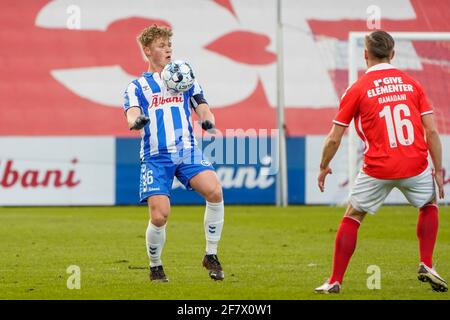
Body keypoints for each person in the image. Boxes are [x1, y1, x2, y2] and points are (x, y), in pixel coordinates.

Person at [315, 30, 447, 293]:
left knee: (353, 215)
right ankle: (427, 263)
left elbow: (334, 137)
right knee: (429, 204)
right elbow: (431, 131)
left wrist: (323, 166)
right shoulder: (412, 84)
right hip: (415, 164)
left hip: (378, 167)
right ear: (393, 54)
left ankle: (334, 281)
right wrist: (439, 170)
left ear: (365, 55)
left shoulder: (357, 88)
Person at [123, 25, 225, 282]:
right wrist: (137, 122)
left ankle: (210, 254)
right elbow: (132, 113)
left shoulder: (184, 76)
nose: (168, 49)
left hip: (186, 150)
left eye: (169, 45)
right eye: (161, 45)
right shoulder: (137, 86)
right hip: (155, 156)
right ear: (147, 51)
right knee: (160, 215)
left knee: (214, 190)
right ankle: (155, 266)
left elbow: (202, 105)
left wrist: (207, 120)